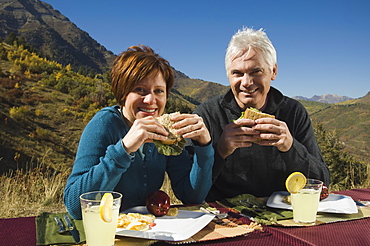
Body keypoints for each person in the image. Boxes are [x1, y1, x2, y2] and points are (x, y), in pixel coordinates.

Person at [64, 45, 214, 219]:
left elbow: (192, 197)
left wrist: (204, 147)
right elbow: (75, 207)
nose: (150, 100)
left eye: (158, 91)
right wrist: (124, 149)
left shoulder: (166, 133)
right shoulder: (104, 124)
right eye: (140, 90)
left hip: (148, 229)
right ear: (123, 93)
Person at [193, 27, 330, 202]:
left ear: (273, 72)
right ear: (228, 75)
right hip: (225, 215)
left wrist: (290, 147)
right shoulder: (207, 115)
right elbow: (191, 191)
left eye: (256, 72)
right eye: (237, 73)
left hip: (283, 212)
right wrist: (220, 151)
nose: (247, 83)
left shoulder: (293, 112)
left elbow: (322, 183)